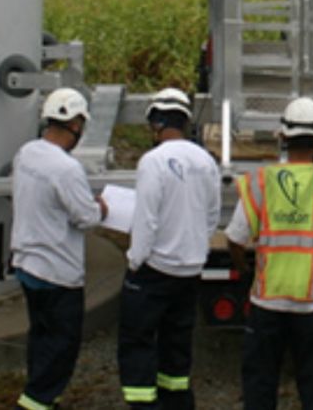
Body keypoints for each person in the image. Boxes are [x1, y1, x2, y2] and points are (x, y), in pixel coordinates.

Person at [225, 97, 313, 410]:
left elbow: (234, 240)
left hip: (267, 300)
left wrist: (246, 272)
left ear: (281, 136)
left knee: (259, 386)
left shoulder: (259, 182)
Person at [118, 87, 222, 408]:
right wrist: (195, 248)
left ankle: (143, 403)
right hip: (189, 270)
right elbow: (212, 215)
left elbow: (145, 219)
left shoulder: (153, 161)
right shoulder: (206, 161)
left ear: (157, 124)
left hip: (154, 269)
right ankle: (178, 402)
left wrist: (135, 261)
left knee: (138, 343)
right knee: (177, 346)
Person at [11, 87, 107, 410]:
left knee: (41, 339)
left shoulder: (26, 153)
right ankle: (35, 403)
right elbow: (87, 218)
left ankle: (41, 398)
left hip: (28, 265)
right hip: (57, 274)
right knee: (61, 349)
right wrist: (103, 207)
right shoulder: (66, 169)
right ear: (76, 125)